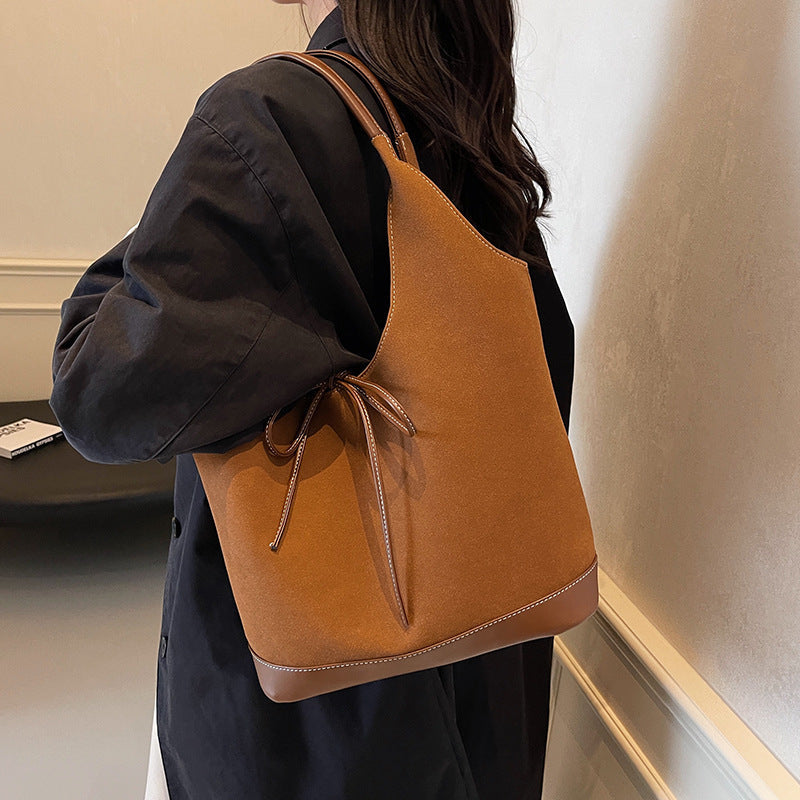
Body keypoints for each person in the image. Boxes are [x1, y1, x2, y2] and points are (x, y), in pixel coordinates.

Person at [49, 2, 575, 798]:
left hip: (312, 738)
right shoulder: (474, 136)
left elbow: (97, 391)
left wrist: (159, 227)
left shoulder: (271, 121)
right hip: (487, 700)